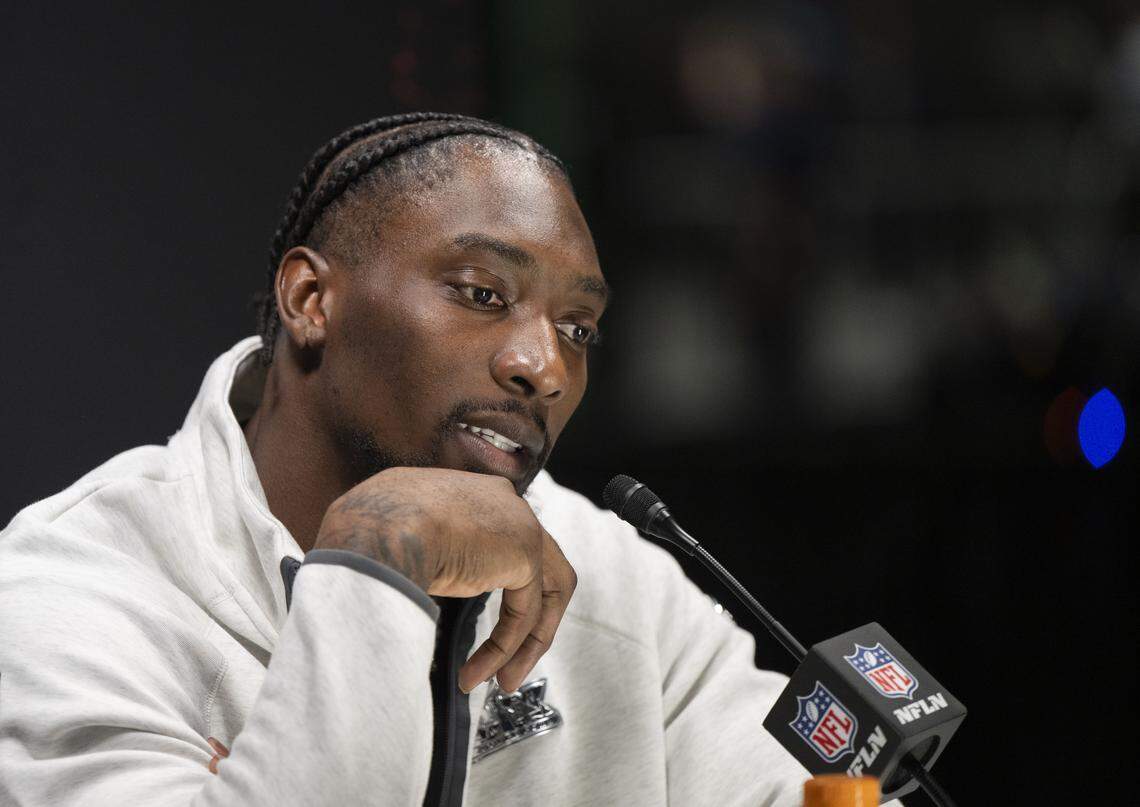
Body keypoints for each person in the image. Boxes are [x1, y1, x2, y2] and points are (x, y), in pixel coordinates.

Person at [0, 113, 849, 806]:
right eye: (484, 294)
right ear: (310, 299)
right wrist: (377, 551)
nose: (543, 368)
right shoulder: (69, 599)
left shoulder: (614, 575)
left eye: (578, 329)